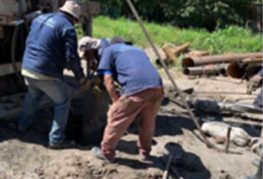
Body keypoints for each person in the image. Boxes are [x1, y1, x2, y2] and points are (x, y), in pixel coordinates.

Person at [18, 1, 88, 148]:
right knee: (63, 100)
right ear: (74, 18)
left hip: (27, 67)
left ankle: (23, 127)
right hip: (45, 72)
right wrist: (80, 78)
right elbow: (71, 58)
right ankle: (56, 140)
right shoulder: (67, 28)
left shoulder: (40, 18)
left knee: (33, 96)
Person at [90, 41, 164, 163]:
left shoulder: (109, 50)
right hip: (157, 86)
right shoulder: (138, 49)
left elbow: (107, 78)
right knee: (148, 121)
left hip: (137, 87)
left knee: (115, 116)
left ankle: (107, 153)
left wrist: (115, 101)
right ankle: (145, 152)